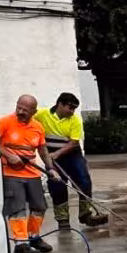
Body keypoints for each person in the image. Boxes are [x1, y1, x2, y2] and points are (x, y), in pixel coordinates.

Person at [0, 94, 57, 253]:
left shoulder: (37, 127)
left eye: (25, 109)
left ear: (34, 111)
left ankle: (34, 237)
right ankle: (21, 244)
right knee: (17, 208)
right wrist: (8, 155)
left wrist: (50, 168)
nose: (20, 111)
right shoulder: (4, 123)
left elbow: (42, 149)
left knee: (39, 206)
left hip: (32, 172)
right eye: (19, 107)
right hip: (11, 173)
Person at [35, 92, 103, 230]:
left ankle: (85, 214)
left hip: (72, 155)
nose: (72, 112)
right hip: (52, 157)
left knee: (83, 181)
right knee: (57, 184)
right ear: (60, 104)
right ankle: (62, 219)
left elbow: (74, 143)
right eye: (70, 108)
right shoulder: (42, 115)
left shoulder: (75, 120)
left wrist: (57, 153)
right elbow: (28, 122)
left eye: (74, 109)